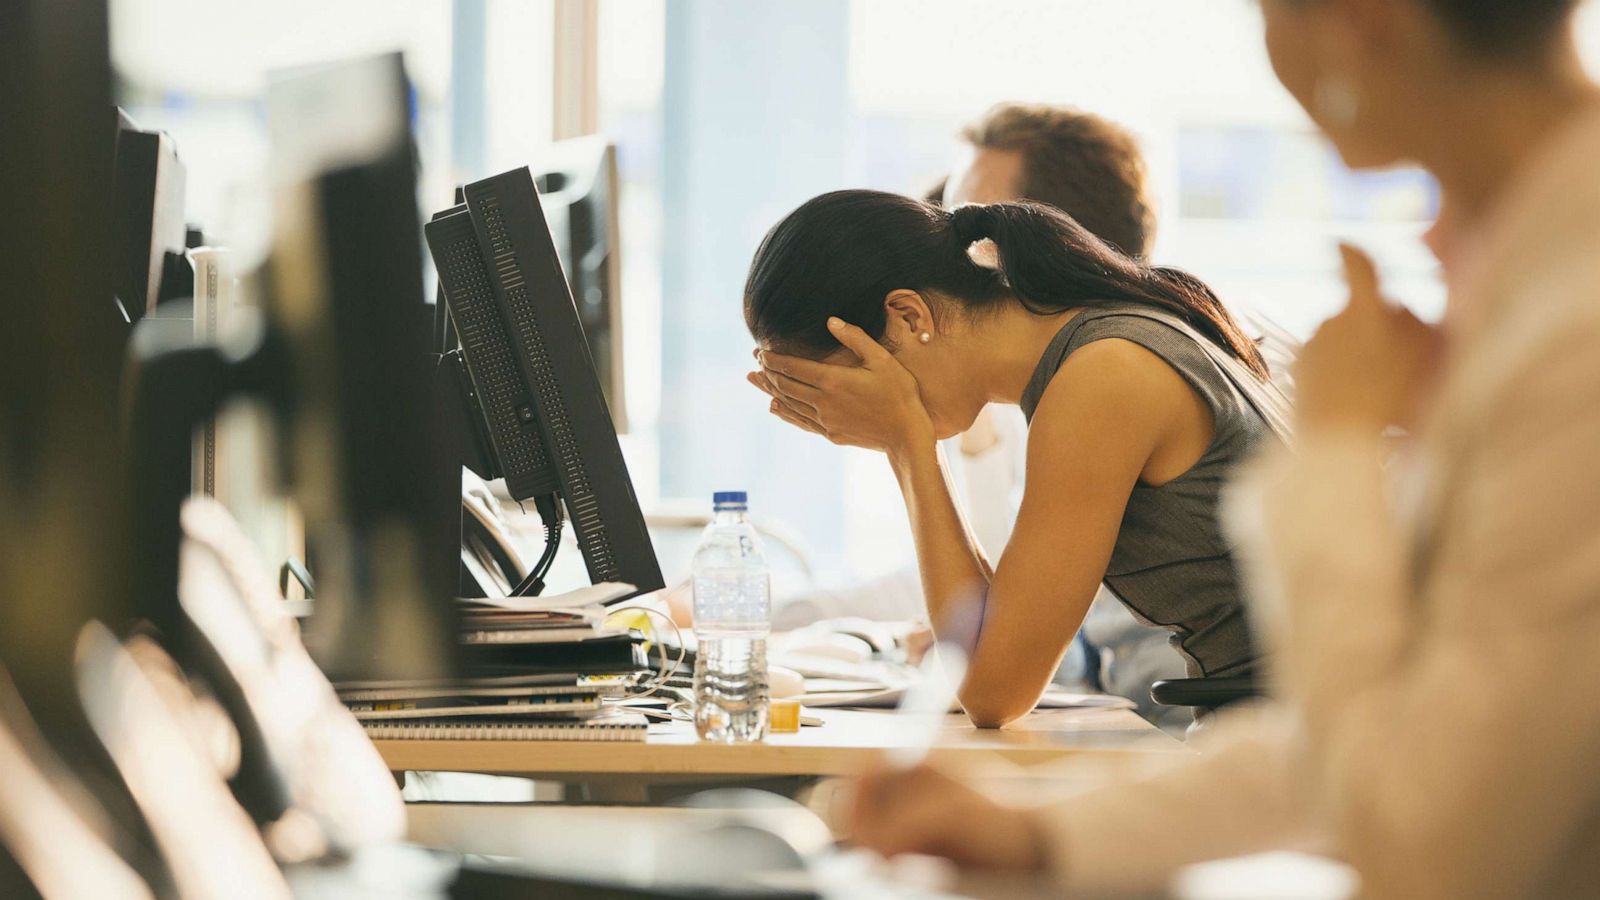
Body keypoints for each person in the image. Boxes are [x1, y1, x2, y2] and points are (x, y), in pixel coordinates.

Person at [850, 0, 1600, 895]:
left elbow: (1426, 827)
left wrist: (1337, 448)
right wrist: (1036, 834)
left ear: (1357, 19)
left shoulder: (1573, 322)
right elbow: (1366, 734)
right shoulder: (1523, 265)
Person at [747, 185, 1289, 727]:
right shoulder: (1095, 349)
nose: (850, 412)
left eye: (850, 384)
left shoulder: (1104, 376)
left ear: (908, 317)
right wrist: (906, 440)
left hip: (1292, 743)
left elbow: (992, 691)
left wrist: (906, 443)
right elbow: (985, 644)